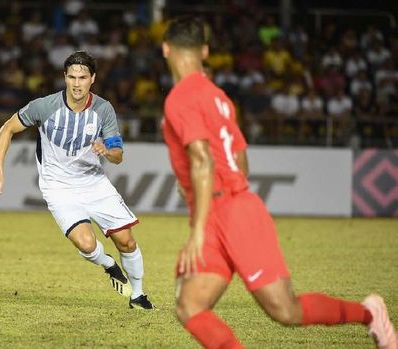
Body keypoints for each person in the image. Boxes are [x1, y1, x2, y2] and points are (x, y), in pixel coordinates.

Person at [160, 16, 396, 349]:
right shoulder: (219, 98)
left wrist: (202, 226)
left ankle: (370, 314)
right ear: (205, 50)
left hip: (227, 211)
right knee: (189, 305)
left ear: (166, 48)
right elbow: (240, 159)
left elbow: (201, 159)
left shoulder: (179, 97)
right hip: (224, 209)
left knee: (286, 310)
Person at [0, 51, 153, 310]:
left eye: (82, 77)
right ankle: (108, 264)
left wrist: (107, 151)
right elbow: (7, 128)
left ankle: (138, 296)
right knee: (87, 245)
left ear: (92, 79)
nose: (77, 83)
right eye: (72, 77)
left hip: (94, 183)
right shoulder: (45, 106)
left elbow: (118, 155)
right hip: (58, 187)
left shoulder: (103, 109)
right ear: (64, 77)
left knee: (126, 241)